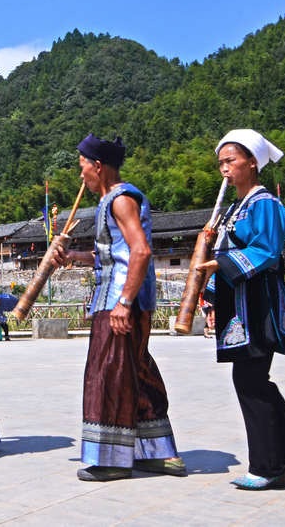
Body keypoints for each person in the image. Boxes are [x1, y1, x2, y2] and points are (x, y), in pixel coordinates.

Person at [53, 135, 183, 481]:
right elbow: (113, 254)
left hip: (120, 301)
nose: (81, 175)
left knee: (107, 375)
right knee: (135, 372)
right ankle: (160, 454)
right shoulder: (114, 199)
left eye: (82, 167)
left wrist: (124, 303)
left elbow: (139, 252)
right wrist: (74, 256)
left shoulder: (121, 200)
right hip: (122, 297)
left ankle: (110, 460)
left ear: (97, 166)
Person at [196, 129, 285, 489]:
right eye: (220, 162)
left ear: (252, 162)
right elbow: (221, 256)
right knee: (251, 379)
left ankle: (269, 467)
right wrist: (211, 301)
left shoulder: (265, 203)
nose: (224, 168)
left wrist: (221, 265)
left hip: (258, 303)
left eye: (230, 160)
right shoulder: (235, 207)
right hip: (237, 304)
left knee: (249, 379)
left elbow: (265, 251)